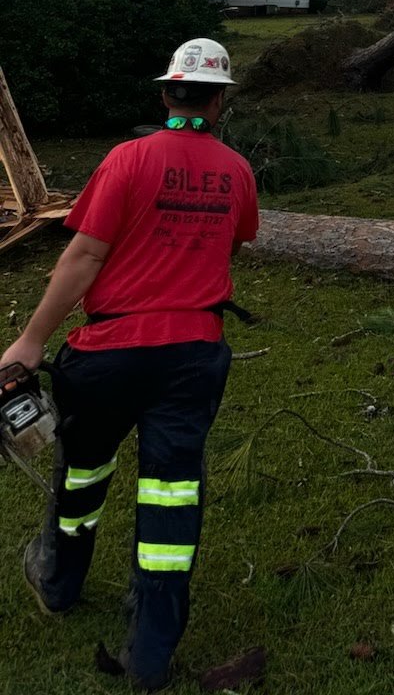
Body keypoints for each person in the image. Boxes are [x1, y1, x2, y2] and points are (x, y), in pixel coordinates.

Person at [1, 37, 258, 692]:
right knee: (172, 496)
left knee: (82, 476)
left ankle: (58, 582)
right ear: (219, 99)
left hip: (110, 353)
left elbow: (84, 257)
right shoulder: (237, 171)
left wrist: (30, 340)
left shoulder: (128, 160)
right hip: (194, 357)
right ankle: (150, 652)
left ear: (167, 93)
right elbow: (232, 238)